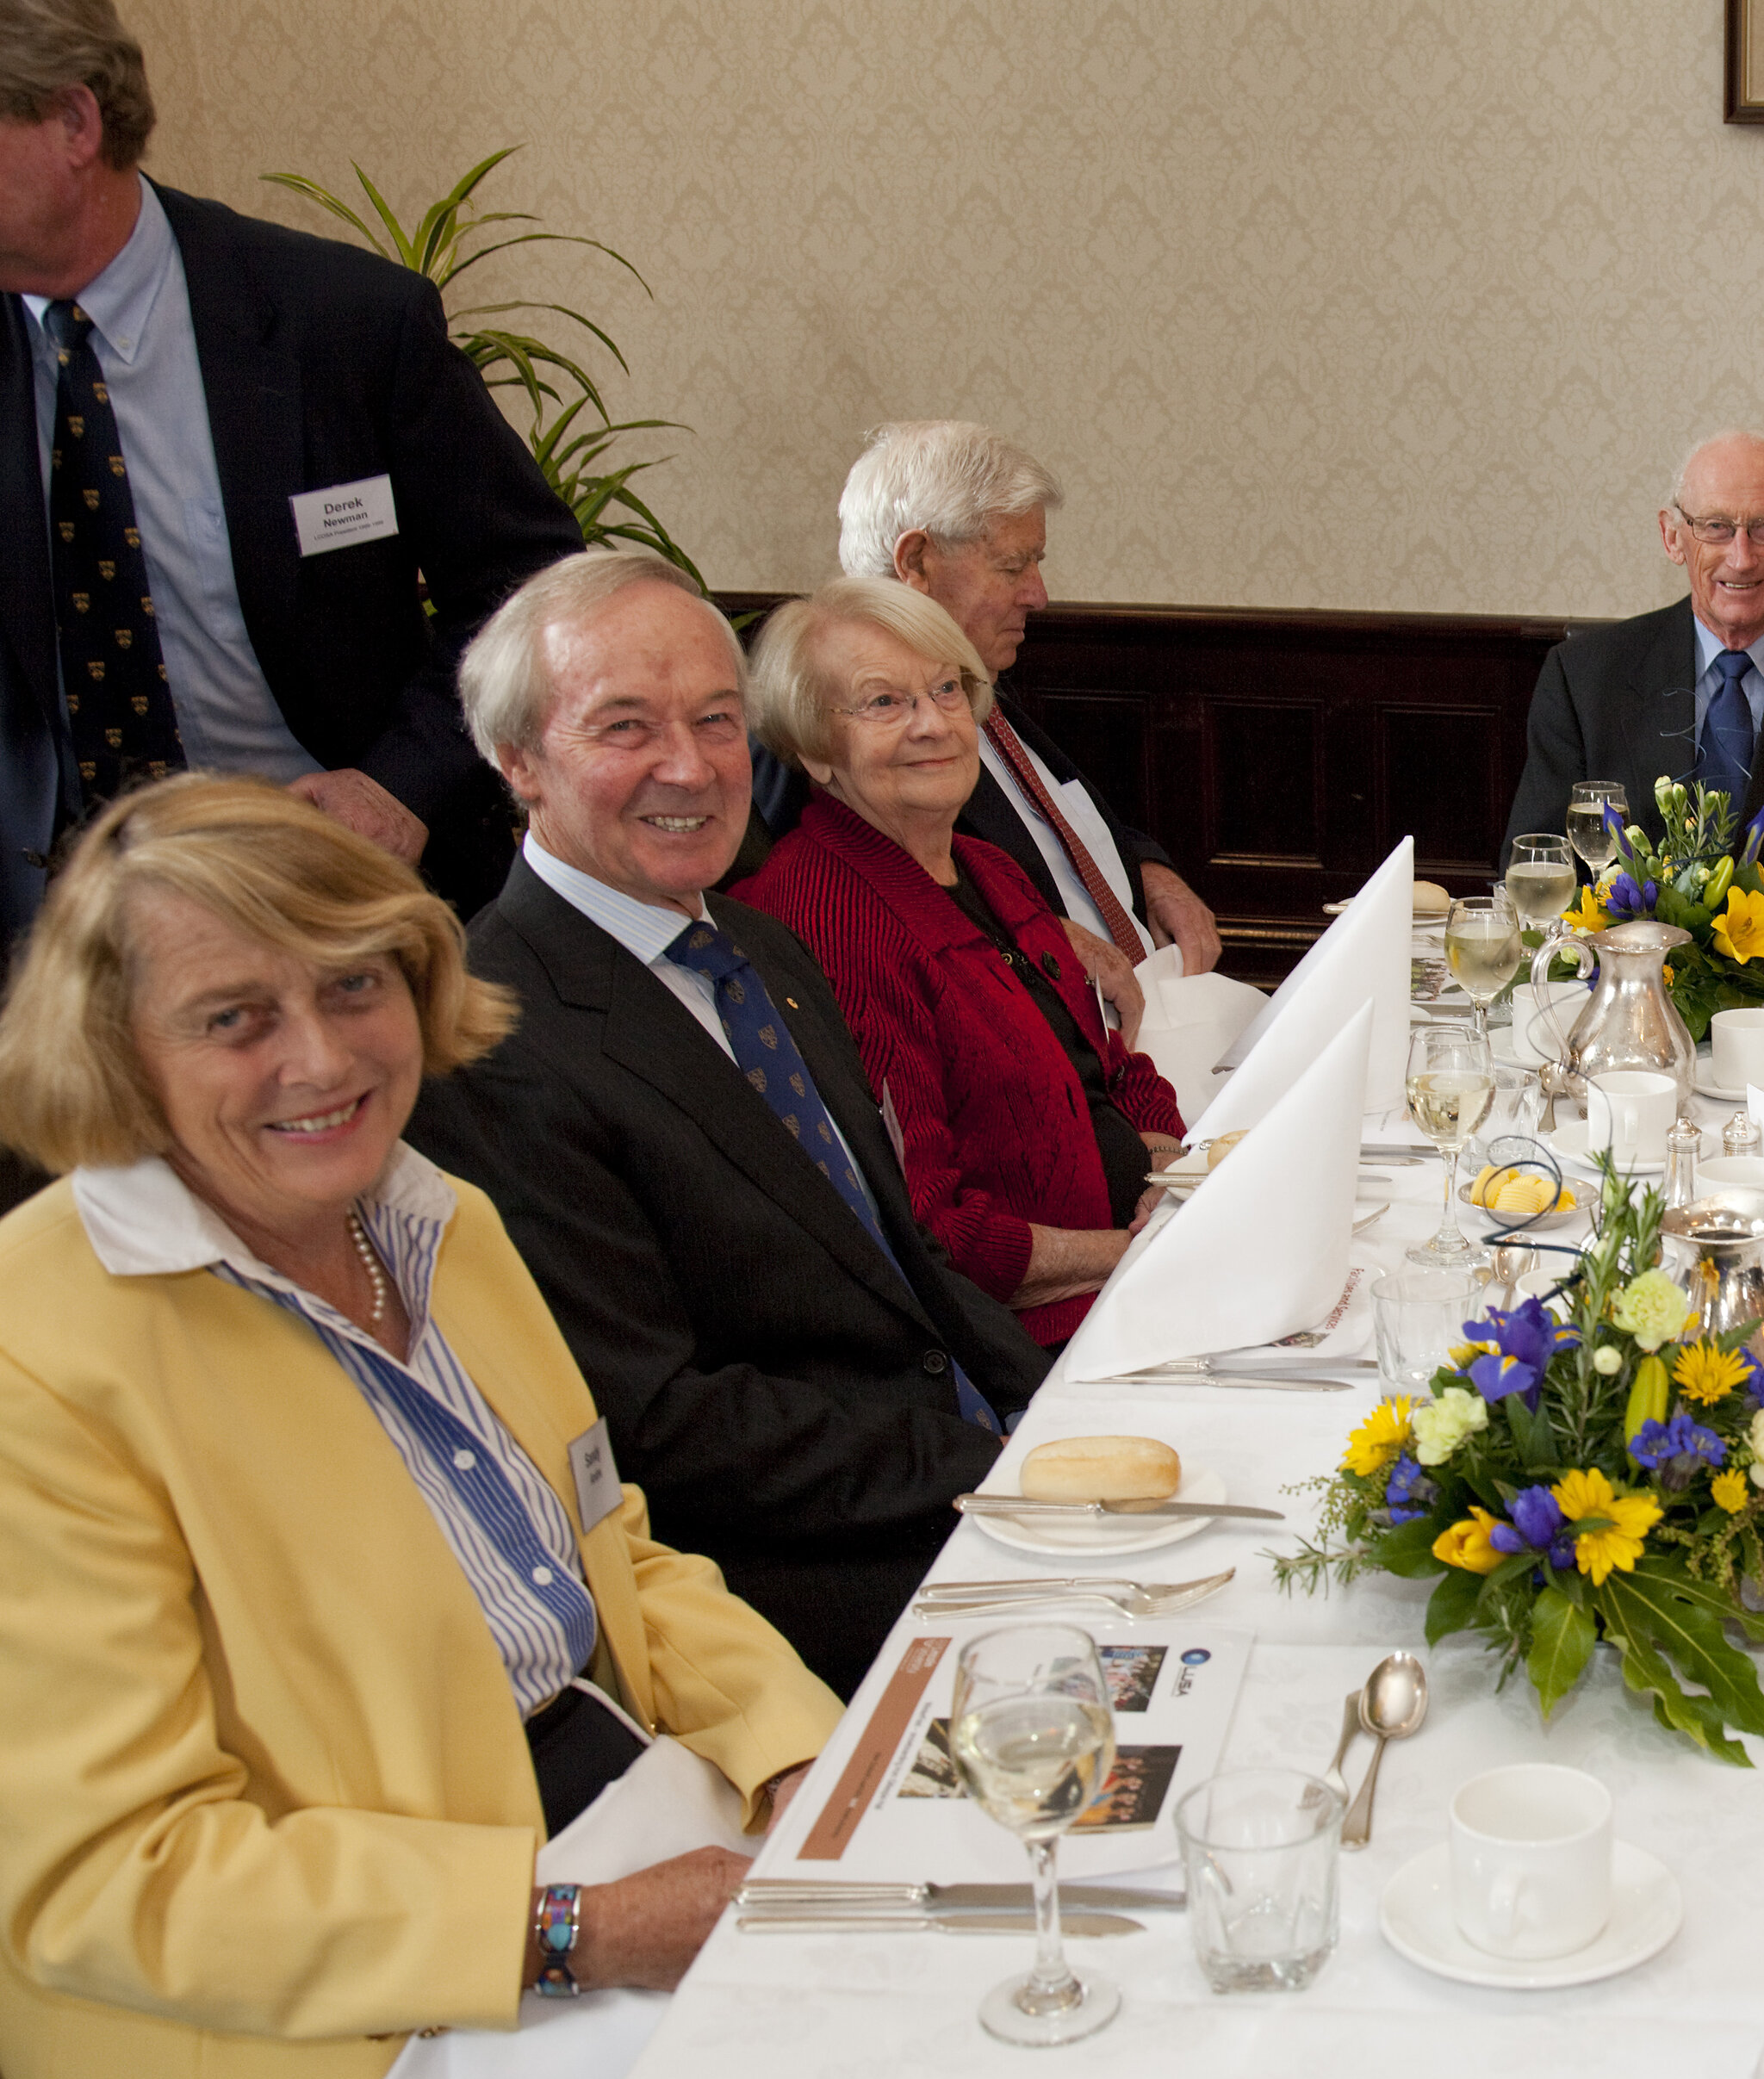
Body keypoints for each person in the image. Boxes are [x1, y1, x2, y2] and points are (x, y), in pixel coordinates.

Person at [0, 776, 839, 2079]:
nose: (318, 1060)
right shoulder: (36, 1350)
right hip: (336, 2067)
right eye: (232, 1018)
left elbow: (611, 1544)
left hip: (607, 1836)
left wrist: (788, 1748)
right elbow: (116, 1879)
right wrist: (577, 1930)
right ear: (116, 1050)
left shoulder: (431, 1215)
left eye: (351, 986)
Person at [401, 551, 1048, 1692]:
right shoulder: (490, 1036)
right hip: (800, 1586)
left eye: (713, 719)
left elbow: (906, 1266)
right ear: (518, 760)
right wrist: (993, 1465)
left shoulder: (759, 951)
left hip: (961, 1477)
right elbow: (655, 1422)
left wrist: (1059, 1404)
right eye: (625, 728)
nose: (690, 767)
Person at [0, 0, 581, 939]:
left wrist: (399, 783)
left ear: (75, 123)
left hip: (334, 884)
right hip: (59, 924)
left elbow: (534, 587)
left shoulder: (342, 322)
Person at [740, 577, 1183, 1346]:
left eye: (946, 689)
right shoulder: (826, 915)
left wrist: (1172, 1177)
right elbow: (928, 1227)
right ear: (813, 745)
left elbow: (1111, 1068)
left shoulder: (986, 867)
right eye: (883, 702)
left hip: (1131, 1267)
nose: (933, 724)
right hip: (1030, 1339)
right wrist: (1141, 1254)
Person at [835, 418, 1221, 999]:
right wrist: (1028, 937)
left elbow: (1067, 818)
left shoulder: (982, 686)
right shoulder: (842, 732)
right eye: (1013, 567)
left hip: (1158, 1012)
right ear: (915, 563)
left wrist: (1151, 873)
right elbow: (863, 920)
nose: (1038, 594)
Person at [1506, 430, 1764, 895]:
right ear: (1673, 537)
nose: (1741, 556)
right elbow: (1540, 866)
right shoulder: (1583, 679)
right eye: (1715, 526)